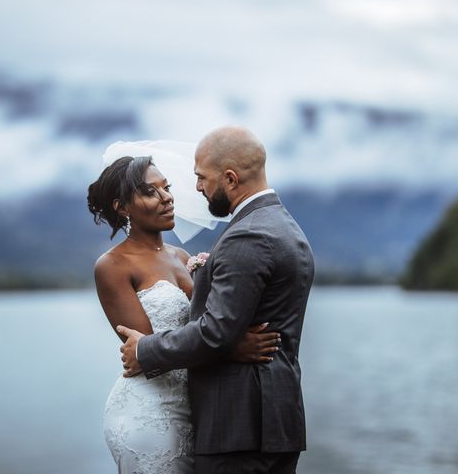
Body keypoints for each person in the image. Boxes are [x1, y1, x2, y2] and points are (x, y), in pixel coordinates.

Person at [118, 126, 315, 474]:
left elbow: (215, 332)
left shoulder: (249, 235)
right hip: (276, 421)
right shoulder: (284, 225)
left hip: (239, 427)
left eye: (202, 178)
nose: (196, 188)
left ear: (230, 178)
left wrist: (144, 350)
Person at [88, 153, 282, 473]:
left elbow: (207, 324)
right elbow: (146, 349)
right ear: (122, 207)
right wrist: (232, 349)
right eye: (151, 192)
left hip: (194, 410)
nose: (167, 198)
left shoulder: (182, 256)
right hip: (147, 411)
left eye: (167, 187)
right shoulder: (112, 266)